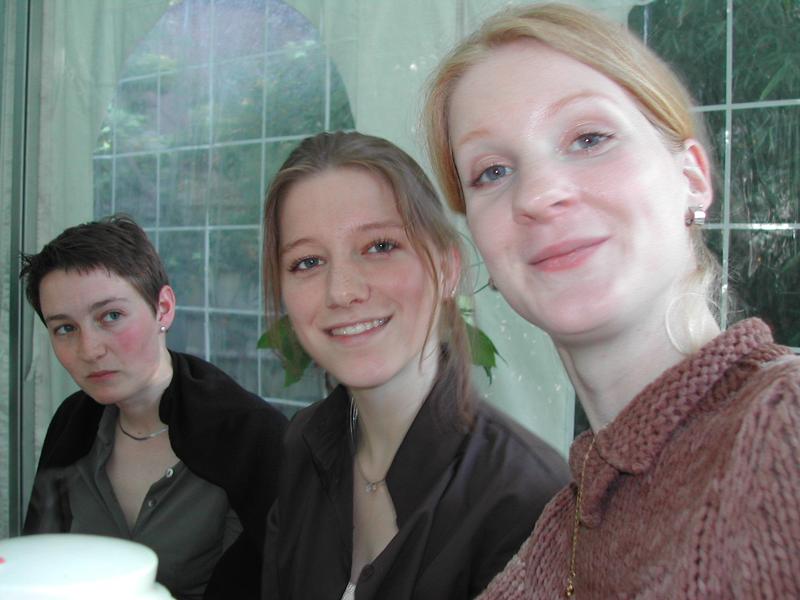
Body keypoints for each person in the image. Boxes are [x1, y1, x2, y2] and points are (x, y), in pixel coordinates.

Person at [424, 2, 800, 597]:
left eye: (590, 138)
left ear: (692, 177)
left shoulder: (783, 425)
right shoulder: (560, 533)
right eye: (492, 172)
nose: (540, 194)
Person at [260, 131, 569, 600]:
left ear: (447, 268)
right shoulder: (304, 443)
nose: (341, 291)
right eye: (307, 262)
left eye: (380, 247)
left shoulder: (525, 500)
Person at [20, 215, 288, 600]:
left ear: (163, 308)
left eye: (111, 316)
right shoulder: (72, 424)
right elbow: (37, 568)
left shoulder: (251, 437)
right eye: (65, 328)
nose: (89, 349)